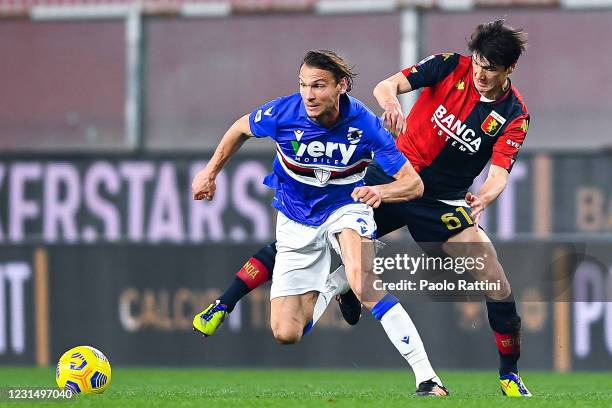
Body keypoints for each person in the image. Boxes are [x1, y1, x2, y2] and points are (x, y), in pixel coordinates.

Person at [195, 20, 531, 397]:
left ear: (509, 70)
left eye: (490, 69)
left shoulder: (515, 114)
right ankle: (233, 301)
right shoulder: (449, 66)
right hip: (389, 180)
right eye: (478, 63)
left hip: (441, 201)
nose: (481, 74)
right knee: (311, 234)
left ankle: (509, 375)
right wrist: (391, 105)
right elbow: (387, 86)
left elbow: (500, 172)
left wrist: (485, 196)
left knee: (495, 279)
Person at [192, 50, 448, 397]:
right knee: (287, 333)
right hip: (295, 217)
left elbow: (413, 184)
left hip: (346, 207)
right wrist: (210, 172)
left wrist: (380, 191)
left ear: (341, 86)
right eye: (303, 85)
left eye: (318, 86)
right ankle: (334, 286)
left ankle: (427, 378)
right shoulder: (283, 112)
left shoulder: (364, 123)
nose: (309, 95)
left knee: (366, 283)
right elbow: (240, 127)